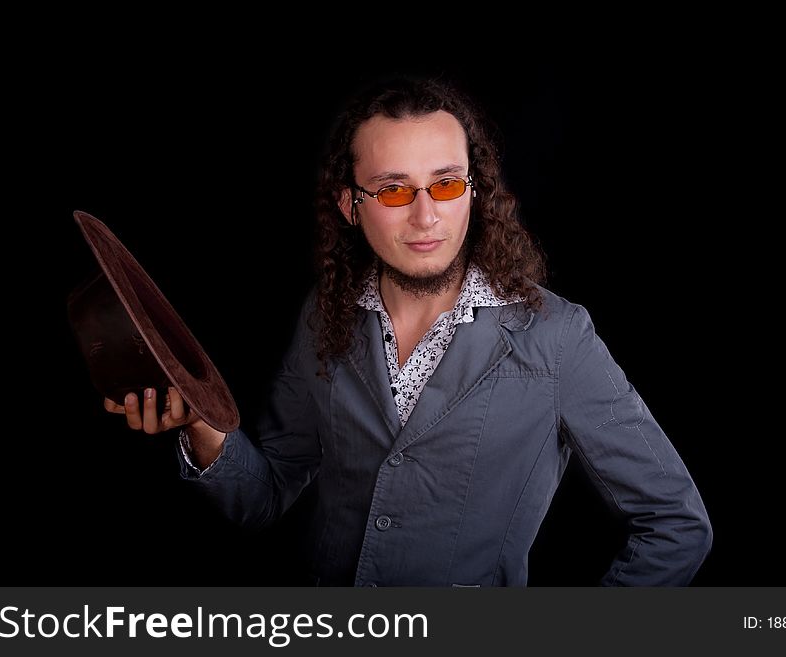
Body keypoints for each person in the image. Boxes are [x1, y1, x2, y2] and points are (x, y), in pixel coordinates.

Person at [105, 77, 712, 586]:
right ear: (350, 204)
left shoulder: (557, 337)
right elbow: (266, 496)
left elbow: (676, 522)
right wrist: (205, 431)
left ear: (473, 191)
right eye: (394, 190)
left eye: (446, 185)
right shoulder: (325, 313)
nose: (427, 216)